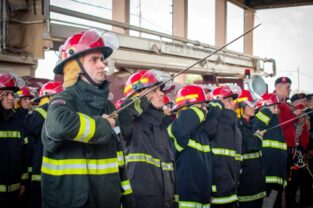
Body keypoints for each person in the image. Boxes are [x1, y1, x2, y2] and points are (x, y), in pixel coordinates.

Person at [41, 28, 134, 208]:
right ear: (76, 67)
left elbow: (119, 158)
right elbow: (58, 126)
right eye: (94, 59)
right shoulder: (63, 101)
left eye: (102, 59)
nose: (102, 65)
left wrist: (127, 198)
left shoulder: (108, 107)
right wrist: (103, 125)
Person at [119, 70, 175, 208]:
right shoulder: (133, 123)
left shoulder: (161, 124)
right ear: (140, 94)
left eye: (161, 89)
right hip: (140, 202)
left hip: (165, 201)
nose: (162, 93)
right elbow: (122, 115)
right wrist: (141, 99)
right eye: (155, 90)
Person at [167, 85, 222, 208]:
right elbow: (182, 129)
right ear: (186, 109)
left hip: (202, 199)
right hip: (186, 200)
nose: (204, 110)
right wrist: (199, 110)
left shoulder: (201, 134)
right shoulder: (175, 128)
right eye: (201, 105)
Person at [26, 81, 63, 208]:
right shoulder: (41, 112)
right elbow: (32, 127)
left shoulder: (42, 112)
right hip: (44, 170)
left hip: (46, 169)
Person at [210, 86, 242, 208]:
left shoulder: (234, 126)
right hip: (218, 190)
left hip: (231, 186)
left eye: (231, 100)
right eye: (228, 100)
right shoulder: (214, 122)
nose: (233, 104)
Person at [254, 93, 287, 208]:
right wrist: (267, 110)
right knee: (268, 203)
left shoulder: (275, 121)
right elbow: (256, 128)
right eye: (275, 106)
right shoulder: (264, 117)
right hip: (269, 172)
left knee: (273, 202)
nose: (277, 109)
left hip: (276, 171)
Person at [0, 73, 27, 208]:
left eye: (13, 94)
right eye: (6, 94)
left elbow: (22, 154)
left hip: (14, 192)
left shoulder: (17, 121)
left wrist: (23, 183)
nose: (11, 98)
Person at [236, 90, 266, 208]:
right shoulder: (238, 125)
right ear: (242, 107)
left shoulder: (250, 123)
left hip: (256, 174)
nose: (254, 107)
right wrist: (257, 137)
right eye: (251, 105)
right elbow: (249, 146)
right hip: (246, 176)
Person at [285, 93, 311, 207]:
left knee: (306, 182)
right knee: (292, 183)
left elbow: (306, 137)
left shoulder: (306, 116)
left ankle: (304, 203)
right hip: (293, 153)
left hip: (304, 154)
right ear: (293, 103)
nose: (303, 103)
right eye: (300, 101)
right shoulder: (289, 115)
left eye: (304, 101)